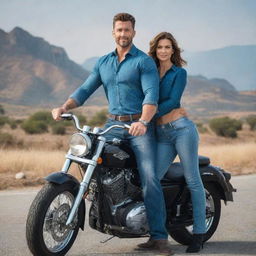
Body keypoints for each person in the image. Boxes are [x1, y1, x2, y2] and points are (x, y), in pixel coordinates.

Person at [52, 13, 173, 255]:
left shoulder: (143, 62)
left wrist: (143, 121)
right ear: (113, 32)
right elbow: (86, 89)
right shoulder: (103, 62)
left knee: (149, 178)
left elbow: (151, 96)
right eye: (119, 30)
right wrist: (65, 107)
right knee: (88, 157)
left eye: (127, 30)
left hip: (138, 127)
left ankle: (159, 238)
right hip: (112, 124)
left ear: (133, 33)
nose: (123, 34)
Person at [148, 32, 206, 253]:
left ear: (173, 50)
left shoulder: (179, 73)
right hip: (162, 135)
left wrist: (146, 117)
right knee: (152, 179)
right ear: (155, 50)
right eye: (160, 47)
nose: (163, 50)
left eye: (167, 47)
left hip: (182, 131)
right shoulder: (150, 72)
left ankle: (198, 234)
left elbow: (173, 101)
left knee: (193, 179)